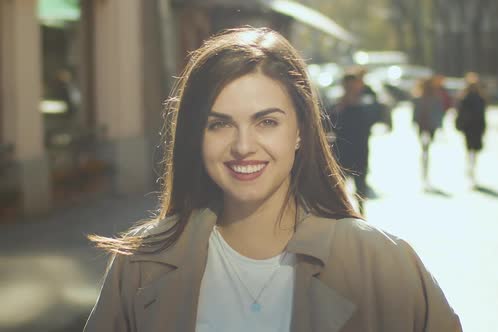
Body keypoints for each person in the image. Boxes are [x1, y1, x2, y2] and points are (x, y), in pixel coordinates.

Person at [83, 27, 461, 332]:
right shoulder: (140, 265)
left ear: (300, 130)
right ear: (195, 136)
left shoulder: (382, 263)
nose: (243, 146)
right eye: (219, 124)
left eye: (267, 122)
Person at [329, 69, 381, 213]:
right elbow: (328, 126)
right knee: (339, 191)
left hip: (360, 152)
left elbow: (377, 117)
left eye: (355, 85)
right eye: (349, 86)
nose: (352, 89)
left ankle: (361, 216)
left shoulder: (366, 104)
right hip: (341, 152)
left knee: (361, 189)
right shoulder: (337, 106)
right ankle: (343, 217)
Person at [412, 78, 445, 188]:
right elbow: (415, 113)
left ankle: (425, 167)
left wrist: (439, 125)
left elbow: (439, 113)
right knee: (425, 148)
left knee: (426, 147)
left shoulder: (435, 99)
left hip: (430, 127)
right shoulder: (419, 98)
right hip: (423, 127)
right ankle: (424, 168)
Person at [456, 80, 487, 186]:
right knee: (471, 147)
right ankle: (471, 164)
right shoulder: (467, 98)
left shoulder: (478, 99)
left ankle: (472, 165)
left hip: (474, 127)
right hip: (471, 127)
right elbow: (460, 112)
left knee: (473, 147)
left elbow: (483, 114)